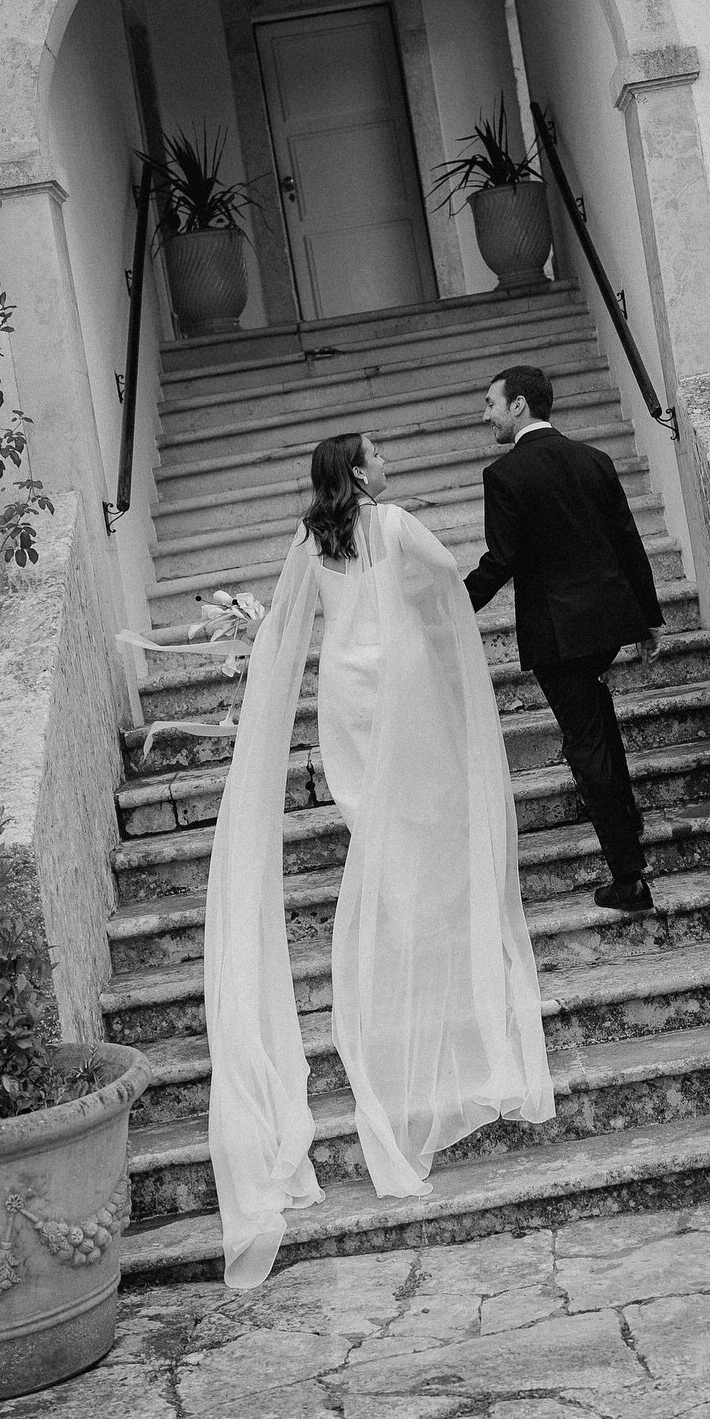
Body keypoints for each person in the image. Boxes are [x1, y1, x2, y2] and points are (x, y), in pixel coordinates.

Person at [204, 431, 554, 1289]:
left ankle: (390, 917)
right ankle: (426, 933)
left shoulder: (307, 538)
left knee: (372, 818)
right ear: (359, 473)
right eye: (378, 454)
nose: (390, 461)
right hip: (397, 680)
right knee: (425, 810)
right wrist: (432, 626)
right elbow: (446, 580)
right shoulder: (394, 525)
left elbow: (287, 624)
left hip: (344, 693)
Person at [464, 365, 664, 913]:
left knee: (587, 742)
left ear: (520, 405)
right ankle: (629, 828)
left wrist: (452, 606)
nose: (486, 416)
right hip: (608, 624)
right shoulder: (594, 460)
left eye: (491, 404)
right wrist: (648, 621)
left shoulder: (505, 477)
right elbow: (628, 541)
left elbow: (501, 560)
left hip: (558, 631)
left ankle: (628, 877)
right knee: (600, 726)